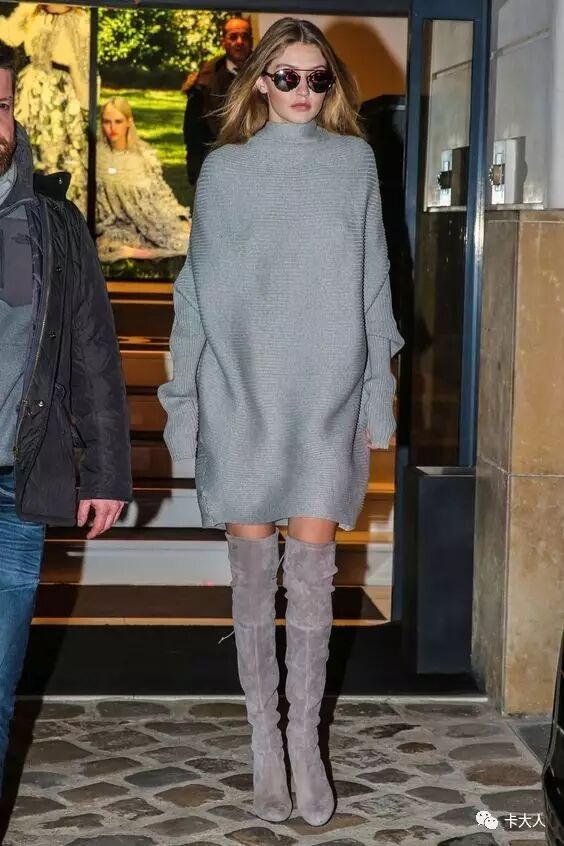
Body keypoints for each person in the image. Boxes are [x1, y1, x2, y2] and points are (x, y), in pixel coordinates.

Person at [159, 17, 403, 828]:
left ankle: (306, 744)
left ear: (332, 85)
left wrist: (376, 395)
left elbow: (375, 289)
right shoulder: (225, 172)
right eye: (288, 76)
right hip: (243, 394)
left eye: (318, 78)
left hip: (326, 396)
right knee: (252, 580)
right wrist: (184, 411)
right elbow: (195, 297)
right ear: (260, 80)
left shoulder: (354, 164)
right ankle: (264, 740)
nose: (303, 90)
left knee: (313, 581)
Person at [0, 42, 131, 791]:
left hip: (14, 489)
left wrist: (106, 471)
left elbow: (92, 351)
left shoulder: (52, 224)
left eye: (0, 106)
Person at [0, 3, 90, 212]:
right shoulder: (33, 12)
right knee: (24, 146)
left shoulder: (81, 19)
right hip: (30, 91)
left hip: (60, 94)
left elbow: (84, 67)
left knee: (58, 153)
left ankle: (55, 211)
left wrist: (84, 101)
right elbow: (8, 35)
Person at [96, 97, 191, 263]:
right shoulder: (96, 157)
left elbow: (160, 191)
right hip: (118, 223)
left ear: (128, 122)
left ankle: (141, 252)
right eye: (107, 122)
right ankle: (137, 252)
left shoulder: (143, 154)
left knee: (187, 240)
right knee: (110, 245)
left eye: (118, 121)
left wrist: (178, 215)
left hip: (152, 216)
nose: (112, 128)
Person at [182, 16, 253, 184]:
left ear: (251, 40)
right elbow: (193, 131)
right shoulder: (206, 79)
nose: (239, 42)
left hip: (258, 164)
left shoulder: (267, 73)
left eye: (244, 36)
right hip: (218, 165)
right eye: (233, 37)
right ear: (223, 42)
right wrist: (195, 172)